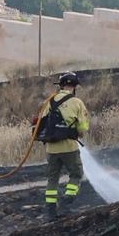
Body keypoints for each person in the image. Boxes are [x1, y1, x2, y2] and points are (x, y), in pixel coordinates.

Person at [36, 71, 91, 216]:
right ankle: (66, 203)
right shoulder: (77, 102)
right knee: (76, 174)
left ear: (60, 85)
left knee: (52, 178)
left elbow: (41, 123)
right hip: (69, 148)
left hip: (51, 148)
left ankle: (50, 211)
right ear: (74, 86)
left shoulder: (50, 101)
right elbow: (83, 128)